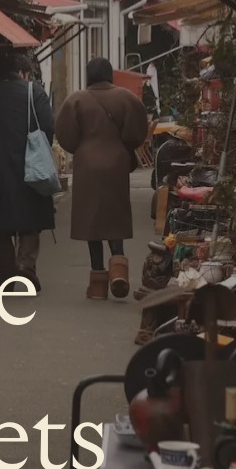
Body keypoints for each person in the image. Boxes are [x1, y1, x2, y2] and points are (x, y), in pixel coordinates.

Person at [54, 57, 150, 300]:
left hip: (87, 165)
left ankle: (97, 283)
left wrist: (82, 147)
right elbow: (138, 131)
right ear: (110, 74)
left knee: (92, 222)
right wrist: (123, 144)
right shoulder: (126, 98)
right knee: (115, 217)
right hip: (117, 164)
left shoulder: (76, 100)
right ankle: (119, 269)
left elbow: (64, 134)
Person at [0, 50, 54, 291]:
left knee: (0, 227)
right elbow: (48, 127)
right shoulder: (34, 93)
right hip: (30, 166)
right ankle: (25, 266)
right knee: (31, 221)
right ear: (23, 73)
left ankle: (5, 276)